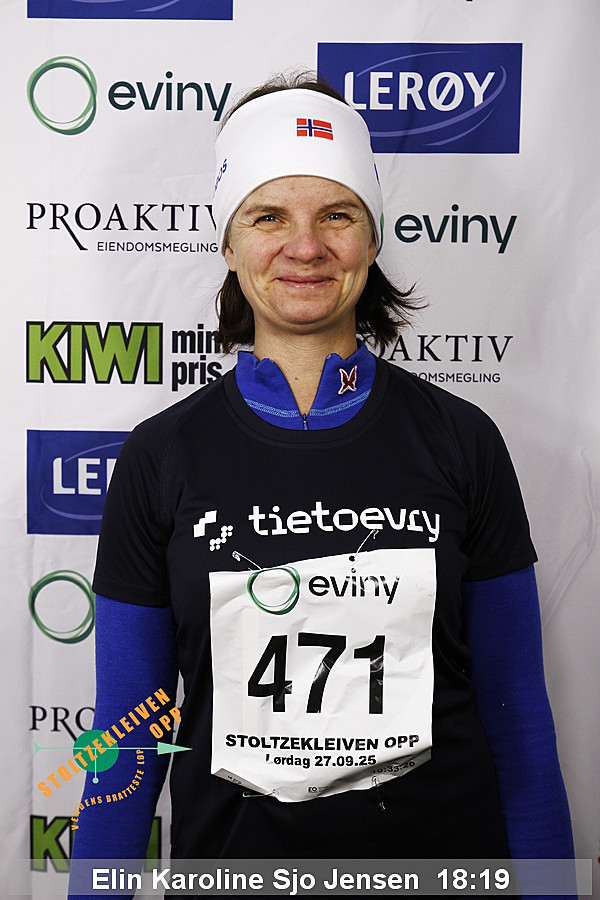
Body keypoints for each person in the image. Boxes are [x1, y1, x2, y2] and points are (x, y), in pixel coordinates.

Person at [70, 74, 574, 885]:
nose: (305, 248)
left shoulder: (463, 441)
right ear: (229, 246)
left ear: (371, 241)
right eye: (268, 217)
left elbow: (518, 720)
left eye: (336, 215)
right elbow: (127, 736)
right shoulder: (160, 456)